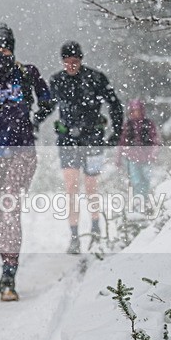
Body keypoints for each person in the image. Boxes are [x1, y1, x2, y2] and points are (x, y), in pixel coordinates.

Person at [0, 23, 53, 301]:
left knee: (9, 206)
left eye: (3, 48)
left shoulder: (27, 72)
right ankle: (6, 264)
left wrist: (34, 121)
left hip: (22, 150)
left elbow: (48, 100)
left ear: (12, 49)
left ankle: (9, 271)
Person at [45, 41, 123, 254]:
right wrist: (33, 121)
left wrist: (116, 131)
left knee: (91, 188)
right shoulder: (57, 81)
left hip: (93, 140)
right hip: (68, 140)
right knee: (71, 188)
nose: (71, 65)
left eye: (75, 61)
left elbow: (114, 103)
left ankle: (96, 230)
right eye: (68, 62)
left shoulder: (96, 78)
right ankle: (74, 236)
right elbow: (48, 106)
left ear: (81, 59)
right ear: (62, 61)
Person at [117, 98, 160, 204]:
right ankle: (138, 203)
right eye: (133, 111)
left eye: (138, 110)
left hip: (146, 158)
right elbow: (122, 142)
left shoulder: (149, 124)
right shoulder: (128, 125)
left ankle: (144, 201)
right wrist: (118, 157)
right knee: (136, 181)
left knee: (146, 180)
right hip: (132, 158)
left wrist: (153, 154)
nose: (136, 113)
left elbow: (155, 140)